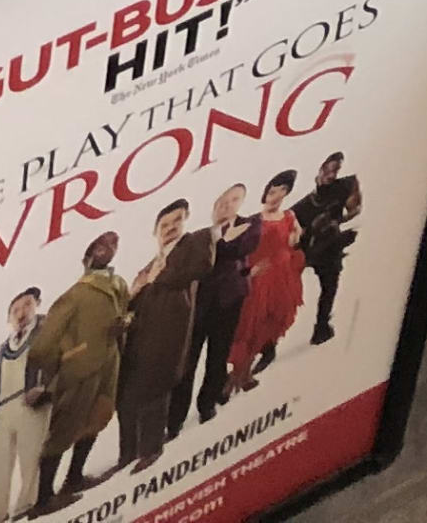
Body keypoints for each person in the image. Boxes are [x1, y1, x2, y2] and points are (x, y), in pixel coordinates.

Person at [23, 230, 131, 508]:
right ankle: (43, 499)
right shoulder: (74, 295)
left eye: (112, 244)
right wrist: (53, 375)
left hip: (110, 363)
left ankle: (74, 477)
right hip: (79, 370)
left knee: (99, 418)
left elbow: (126, 312)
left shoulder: (119, 283)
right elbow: (42, 347)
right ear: (87, 254)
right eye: (100, 245)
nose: (107, 248)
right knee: (64, 430)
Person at [115, 202, 206, 471]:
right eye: (164, 225)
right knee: (127, 398)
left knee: (156, 391)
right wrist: (134, 292)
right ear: (155, 232)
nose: (170, 228)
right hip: (139, 340)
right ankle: (127, 454)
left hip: (169, 336)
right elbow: (133, 304)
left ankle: (151, 450)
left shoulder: (193, 244)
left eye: (176, 221)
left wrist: (157, 278)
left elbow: (199, 268)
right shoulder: (147, 267)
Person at [230, 167, 306, 387]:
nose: (277, 196)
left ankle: (243, 376)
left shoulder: (289, 216)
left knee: (269, 325)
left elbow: (294, 240)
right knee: (249, 328)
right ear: (266, 192)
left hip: (283, 278)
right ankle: (237, 375)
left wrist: (295, 238)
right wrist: (248, 273)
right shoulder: (252, 221)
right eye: (274, 191)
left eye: (283, 191)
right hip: (259, 280)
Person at [0, 286, 48, 523]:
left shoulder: (44, 333)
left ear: (36, 306)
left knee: (31, 457)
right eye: (16, 309)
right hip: (0, 411)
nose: (21, 313)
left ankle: (25, 507)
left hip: (29, 402)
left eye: (27, 305)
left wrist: (44, 388)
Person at [191, 182, 256, 424]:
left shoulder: (249, 225)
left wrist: (222, 242)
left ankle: (207, 404)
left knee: (218, 354)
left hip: (229, 300)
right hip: (199, 303)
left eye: (234, 200)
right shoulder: (200, 236)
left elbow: (239, 250)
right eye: (222, 201)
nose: (227, 206)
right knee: (190, 360)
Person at [296, 152, 363, 343]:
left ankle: (322, 327)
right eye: (328, 169)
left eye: (335, 170)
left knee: (329, 288)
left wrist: (337, 222)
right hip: (308, 250)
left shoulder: (344, 186)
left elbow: (355, 208)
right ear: (320, 169)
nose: (331, 174)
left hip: (330, 248)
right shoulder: (303, 206)